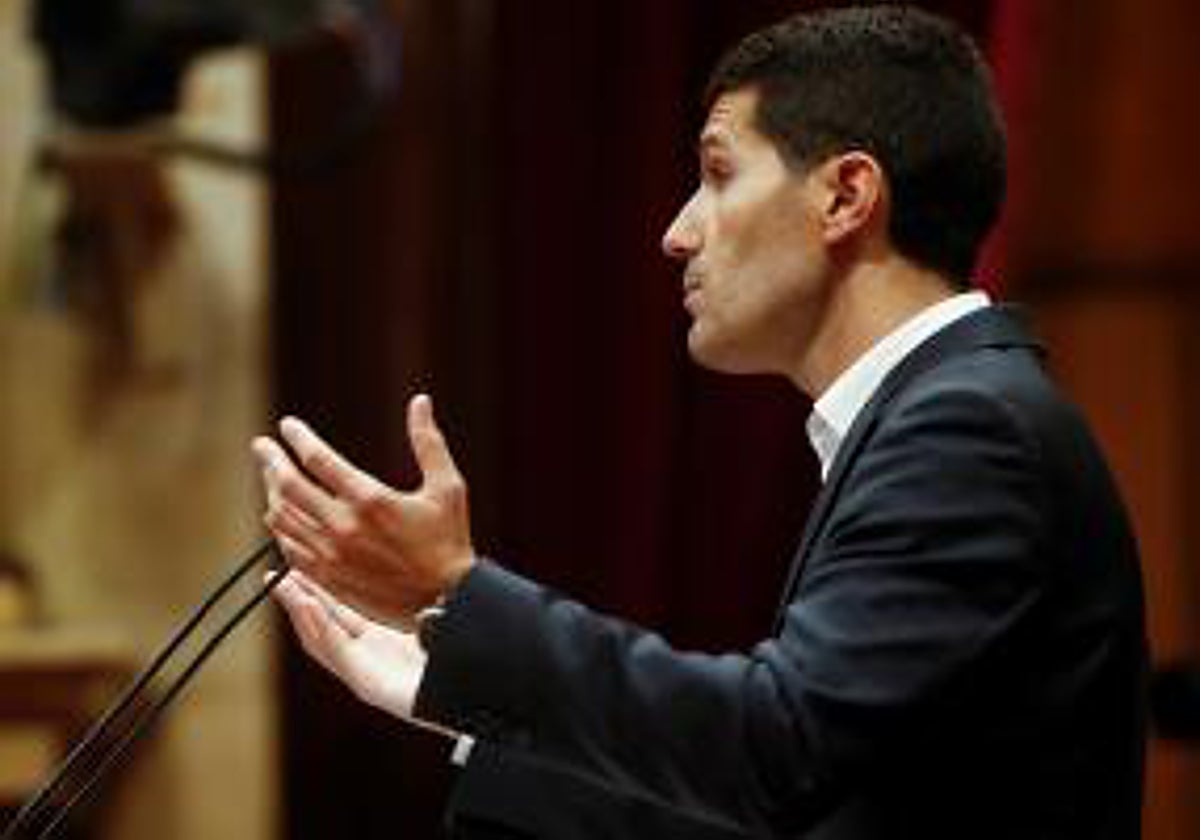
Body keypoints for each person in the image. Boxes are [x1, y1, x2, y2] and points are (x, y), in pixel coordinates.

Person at [253, 6, 1147, 838]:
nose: (678, 233)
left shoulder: (966, 429)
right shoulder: (948, 412)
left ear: (845, 196)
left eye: (718, 174)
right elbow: (810, 799)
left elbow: (778, 750)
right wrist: (463, 697)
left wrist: (462, 594)